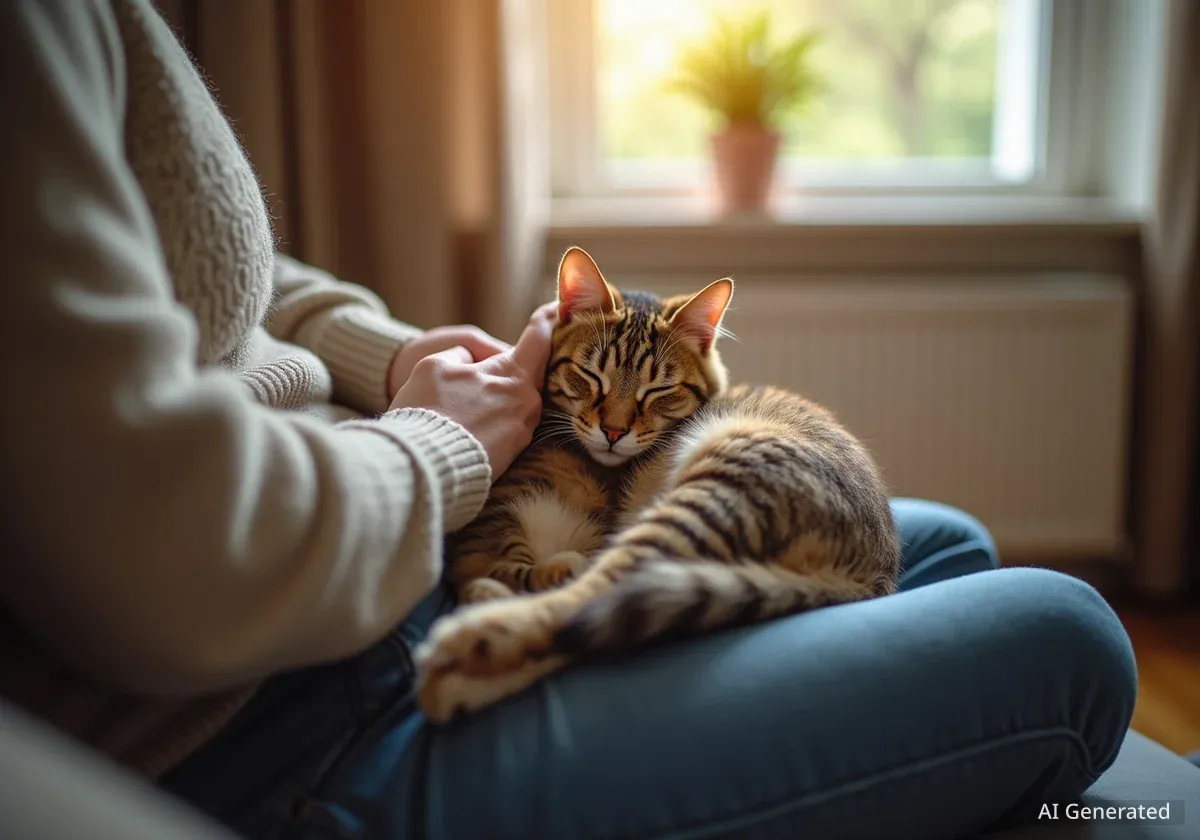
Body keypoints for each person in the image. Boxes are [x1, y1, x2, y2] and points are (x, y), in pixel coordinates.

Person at [0, 1, 1136, 839]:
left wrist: (388, 352)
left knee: (941, 544)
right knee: (1071, 637)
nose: (611, 421)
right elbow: (140, 550)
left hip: (375, 569)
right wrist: (438, 445)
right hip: (298, 712)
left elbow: (215, 282)